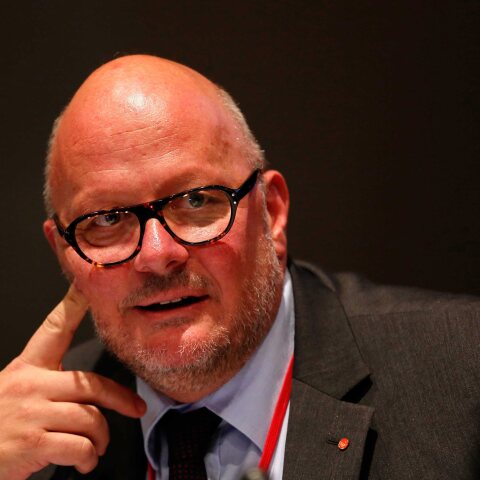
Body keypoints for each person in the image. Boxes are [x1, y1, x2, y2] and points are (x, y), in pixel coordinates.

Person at [0, 55, 478, 480]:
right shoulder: (30, 448)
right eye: (106, 219)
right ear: (62, 251)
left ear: (272, 212)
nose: (157, 255)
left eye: (195, 201)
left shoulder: (463, 371)